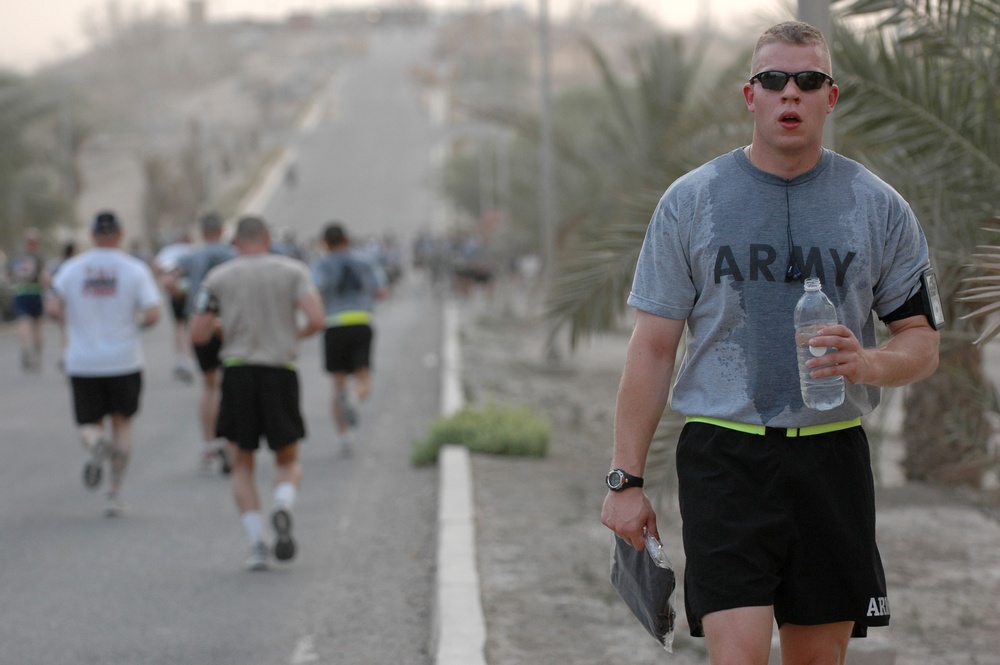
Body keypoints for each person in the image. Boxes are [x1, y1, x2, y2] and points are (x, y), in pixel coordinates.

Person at [600, 21, 941, 665]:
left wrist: (867, 362)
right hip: (724, 459)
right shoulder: (691, 202)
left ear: (830, 97)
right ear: (749, 95)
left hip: (832, 458)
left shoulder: (878, 207)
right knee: (739, 655)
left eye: (809, 81)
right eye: (774, 80)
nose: (792, 94)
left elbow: (921, 341)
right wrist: (625, 480)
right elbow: (650, 349)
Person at [190, 216, 324, 571]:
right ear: (268, 239)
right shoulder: (294, 271)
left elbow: (198, 334)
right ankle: (282, 501)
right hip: (281, 370)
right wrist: (295, 335)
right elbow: (316, 318)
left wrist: (224, 327)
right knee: (288, 459)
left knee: (241, 463)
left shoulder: (218, 278)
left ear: (235, 243)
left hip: (237, 371)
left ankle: (256, 543)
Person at [46, 211, 162, 517]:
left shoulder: (71, 269)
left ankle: (96, 443)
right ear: (121, 234)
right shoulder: (134, 269)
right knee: (122, 423)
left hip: (83, 360)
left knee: (88, 423)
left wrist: (73, 325)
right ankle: (114, 492)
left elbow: (53, 306)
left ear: (92, 234)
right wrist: (132, 324)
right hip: (123, 359)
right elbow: (152, 314)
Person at [310, 222, 388, 457]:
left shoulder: (320, 264)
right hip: (361, 321)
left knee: (338, 384)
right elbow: (382, 290)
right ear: (347, 239)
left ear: (325, 243)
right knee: (363, 376)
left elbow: (314, 291)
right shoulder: (365, 261)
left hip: (334, 325)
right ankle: (355, 397)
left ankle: (345, 438)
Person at [174, 212, 237, 473]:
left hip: (200, 320)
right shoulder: (232, 254)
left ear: (201, 231)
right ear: (222, 229)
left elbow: (169, 279)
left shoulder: (191, 256)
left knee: (209, 384)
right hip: (229, 321)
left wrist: (186, 294)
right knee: (231, 382)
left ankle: (209, 444)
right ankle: (231, 441)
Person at [153, 229, 195, 383]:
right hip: (189, 292)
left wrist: (162, 282)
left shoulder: (168, 251)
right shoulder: (192, 250)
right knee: (189, 325)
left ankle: (182, 358)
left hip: (175, 293)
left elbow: (157, 265)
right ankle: (189, 357)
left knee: (179, 326)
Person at [9, 228, 48, 371]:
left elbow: (10, 277)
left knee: (22, 322)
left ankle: (25, 347)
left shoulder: (16, 258)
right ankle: (37, 357)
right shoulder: (39, 257)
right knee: (37, 326)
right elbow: (44, 277)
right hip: (36, 292)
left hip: (20, 292)